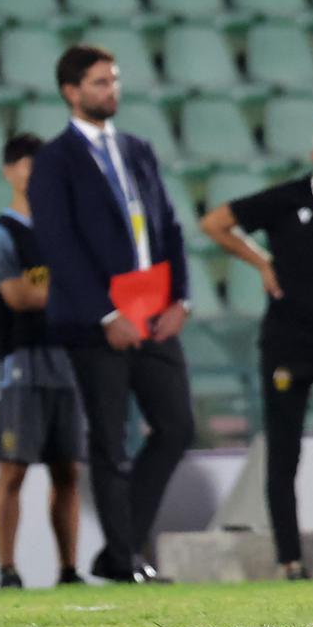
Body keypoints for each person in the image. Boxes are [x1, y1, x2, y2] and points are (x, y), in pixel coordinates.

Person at [28, 45, 194, 583]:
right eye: (100, 83)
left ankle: (120, 548)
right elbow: (59, 245)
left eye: (114, 81)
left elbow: (168, 226)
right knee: (110, 441)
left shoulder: (138, 150)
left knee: (176, 427)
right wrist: (105, 314)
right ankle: (125, 558)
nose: (111, 91)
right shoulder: (54, 162)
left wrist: (181, 299)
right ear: (71, 91)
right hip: (95, 324)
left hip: (155, 312)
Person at [199, 129, 313, 581]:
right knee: (283, 449)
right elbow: (214, 223)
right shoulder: (287, 199)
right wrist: (261, 262)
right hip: (289, 340)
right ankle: (289, 558)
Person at [0, 133, 85, 589]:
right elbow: (18, 295)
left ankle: (68, 569)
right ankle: (7, 568)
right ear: (9, 172)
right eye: (27, 165)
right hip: (21, 362)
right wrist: (75, 293)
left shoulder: (64, 230)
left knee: (67, 469)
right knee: (14, 466)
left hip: (68, 360)